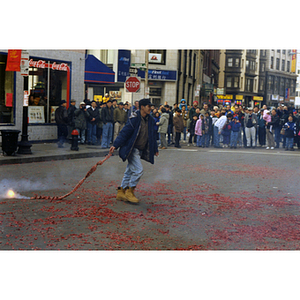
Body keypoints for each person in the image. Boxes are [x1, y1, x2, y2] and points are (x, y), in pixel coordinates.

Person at [110, 98, 159, 204]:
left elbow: (152, 135)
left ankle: (121, 192)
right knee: (138, 170)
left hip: (140, 149)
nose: (150, 108)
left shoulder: (150, 119)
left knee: (129, 171)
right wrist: (115, 145)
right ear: (142, 107)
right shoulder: (135, 118)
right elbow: (124, 132)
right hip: (132, 148)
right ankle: (130, 191)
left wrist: (155, 148)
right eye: (148, 106)